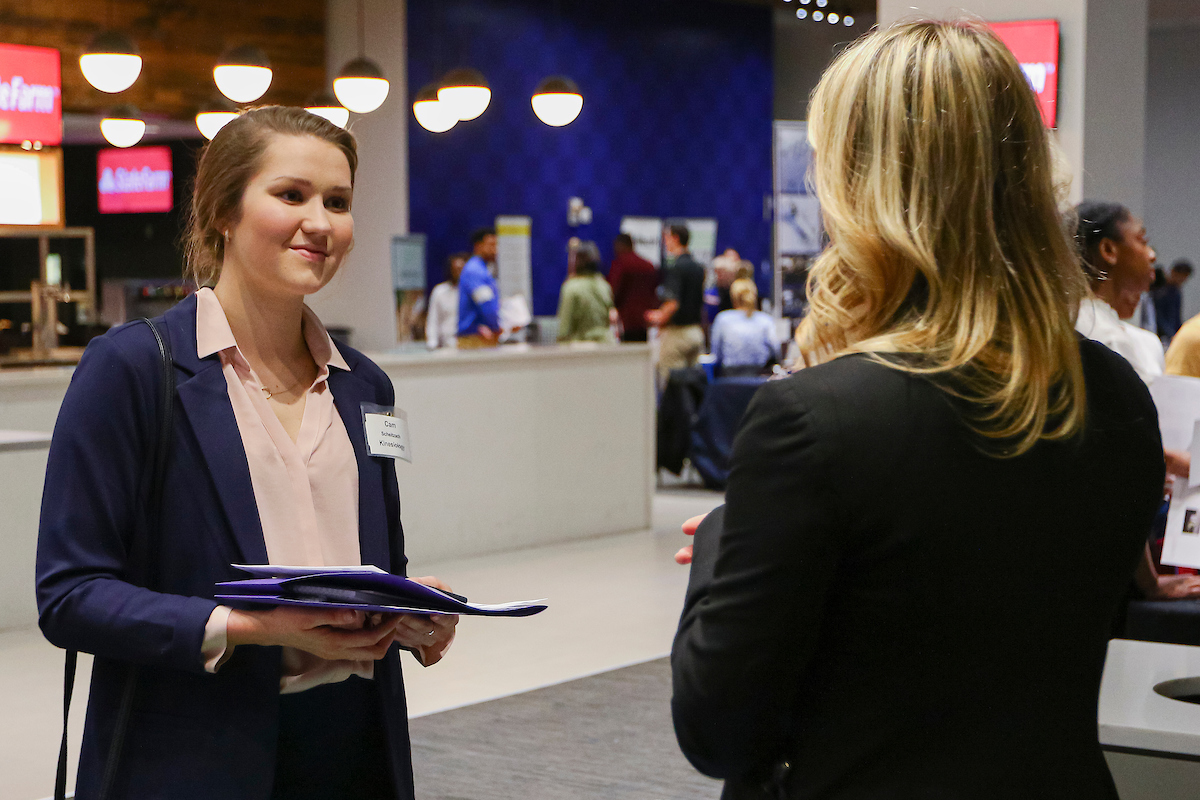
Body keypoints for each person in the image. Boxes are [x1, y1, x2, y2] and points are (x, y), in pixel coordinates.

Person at [670, 21, 1165, 799]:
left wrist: (729, 537)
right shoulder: (1119, 396)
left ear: (860, 183)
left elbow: (718, 728)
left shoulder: (813, 421)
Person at [36, 106, 457, 800]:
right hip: (194, 751)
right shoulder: (134, 370)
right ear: (222, 211)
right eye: (291, 195)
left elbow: (376, 569)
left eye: (339, 202)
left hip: (353, 749)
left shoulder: (366, 387)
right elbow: (70, 595)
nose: (320, 222)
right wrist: (249, 628)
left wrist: (409, 611)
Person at [1074, 200, 1164, 385]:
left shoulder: (1140, 340)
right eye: (1142, 240)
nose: (1152, 255)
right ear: (1108, 250)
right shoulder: (1105, 337)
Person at [647, 224, 705, 384]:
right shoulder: (698, 268)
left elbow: (673, 303)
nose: (665, 243)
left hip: (678, 335)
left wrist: (659, 317)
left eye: (667, 238)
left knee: (672, 386)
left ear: (676, 238)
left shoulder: (677, 267)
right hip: (696, 332)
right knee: (692, 385)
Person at [709, 278, 778, 377]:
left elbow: (716, 355)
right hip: (760, 379)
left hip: (730, 380)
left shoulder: (722, 319)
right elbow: (775, 351)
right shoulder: (765, 320)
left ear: (733, 297)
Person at [555, 241, 617, 344]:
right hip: (607, 345)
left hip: (582, 348)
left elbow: (564, 328)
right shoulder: (604, 285)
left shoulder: (571, 287)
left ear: (577, 261)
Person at [607, 233, 658, 342]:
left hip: (625, 321)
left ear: (620, 245)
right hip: (645, 320)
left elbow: (614, 290)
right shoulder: (648, 266)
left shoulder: (621, 265)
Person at [456, 227, 501, 348]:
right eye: (491, 245)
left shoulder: (483, 269)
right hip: (474, 339)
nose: (495, 250)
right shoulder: (474, 271)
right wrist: (497, 326)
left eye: (496, 245)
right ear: (478, 246)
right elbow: (485, 303)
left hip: (482, 336)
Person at [426, 252, 466, 349]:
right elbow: (433, 320)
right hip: (446, 345)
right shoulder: (440, 291)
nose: (458, 273)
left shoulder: (470, 292)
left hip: (467, 344)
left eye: (461, 269)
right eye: (455, 269)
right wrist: (432, 344)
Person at [1155, 259, 1194, 342]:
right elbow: (1158, 316)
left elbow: (1176, 317)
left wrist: (1179, 333)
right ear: (1173, 272)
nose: (1182, 280)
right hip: (1158, 334)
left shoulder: (1176, 292)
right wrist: (1170, 334)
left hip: (1171, 334)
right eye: (1181, 276)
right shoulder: (1160, 290)